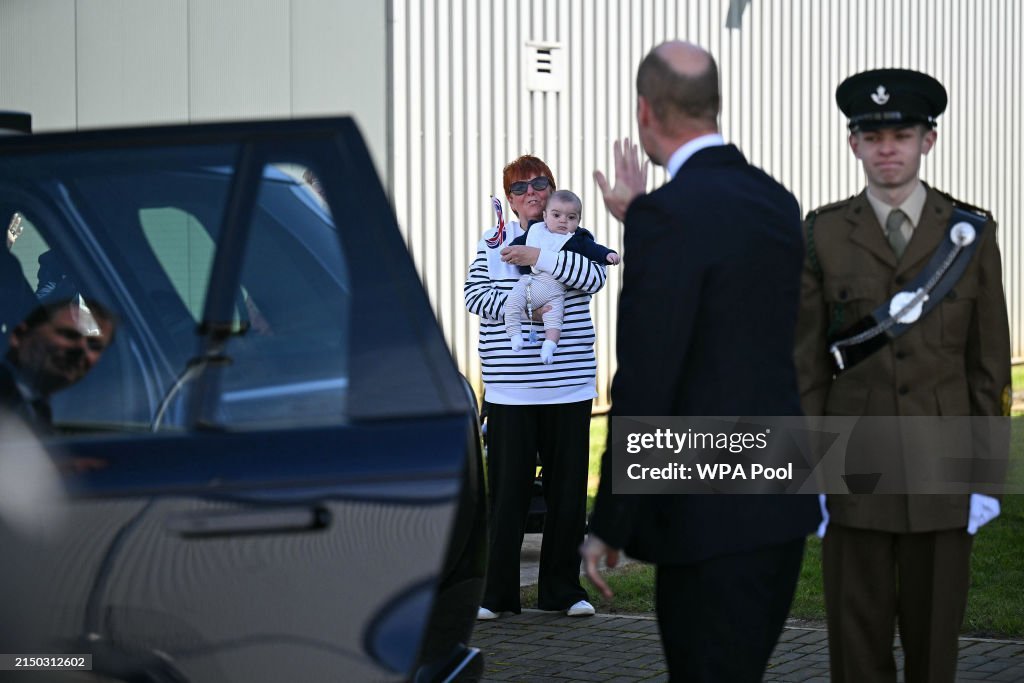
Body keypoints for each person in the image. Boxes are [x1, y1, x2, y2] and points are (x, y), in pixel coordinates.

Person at [581, 41, 820, 681]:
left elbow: (648, 379)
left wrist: (609, 521)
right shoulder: (775, 200)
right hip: (778, 500)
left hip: (707, 513)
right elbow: (737, 324)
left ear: (644, 110)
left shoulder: (669, 217)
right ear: (715, 104)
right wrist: (646, 219)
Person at [794, 68, 1012, 683]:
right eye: (872, 135)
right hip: (852, 472)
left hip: (943, 473)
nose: (888, 147)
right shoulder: (822, 233)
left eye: (903, 134)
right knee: (855, 650)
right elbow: (806, 366)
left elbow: (988, 365)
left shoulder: (970, 233)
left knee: (934, 647)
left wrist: (985, 477)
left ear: (928, 141)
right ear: (854, 144)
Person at [465, 155, 608, 619]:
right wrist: (533, 296)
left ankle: (562, 593)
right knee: (508, 495)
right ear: (509, 200)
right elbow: (475, 297)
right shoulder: (492, 243)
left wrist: (537, 259)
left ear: (552, 192)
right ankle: (496, 596)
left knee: (568, 495)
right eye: (521, 188)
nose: (532, 192)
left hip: (568, 388)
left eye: (540, 184)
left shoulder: (574, 239)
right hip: (511, 392)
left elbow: (592, 278)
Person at [503, 189, 619, 363]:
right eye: (556, 215)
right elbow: (519, 247)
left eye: (571, 217)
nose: (563, 220)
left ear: (578, 221)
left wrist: (607, 254)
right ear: (545, 215)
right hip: (531, 284)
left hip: (556, 290)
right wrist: (510, 252)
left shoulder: (578, 238)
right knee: (512, 302)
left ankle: (549, 346)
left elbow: (594, 250)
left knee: (555, 319)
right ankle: (515, 335)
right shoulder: (536, 231)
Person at [0, 297, 116, 430]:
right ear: (19, 335)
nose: (81, 348)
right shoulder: (13, 402)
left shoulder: (39, 411)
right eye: (69, 335)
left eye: (94, 345)